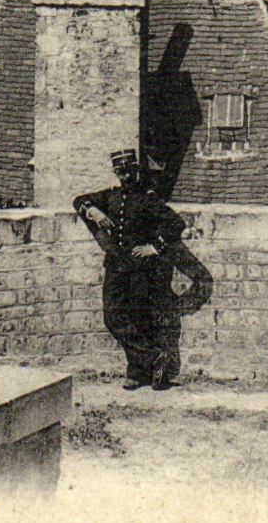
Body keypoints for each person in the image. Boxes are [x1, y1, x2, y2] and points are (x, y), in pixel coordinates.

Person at [73, 148, 187, 390]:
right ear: (116, 173)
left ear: (136, 171)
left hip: (140, 270)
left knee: (139, 318)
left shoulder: (147, 198)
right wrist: (94, 212)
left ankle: (136, 373)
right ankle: (153, 357)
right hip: (116, 267)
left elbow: (176, 224)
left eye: (130, 171)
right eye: (121, 172)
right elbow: (79, 201)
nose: (126, 176)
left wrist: (154, 247)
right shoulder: (110, 196)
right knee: (112, 317)